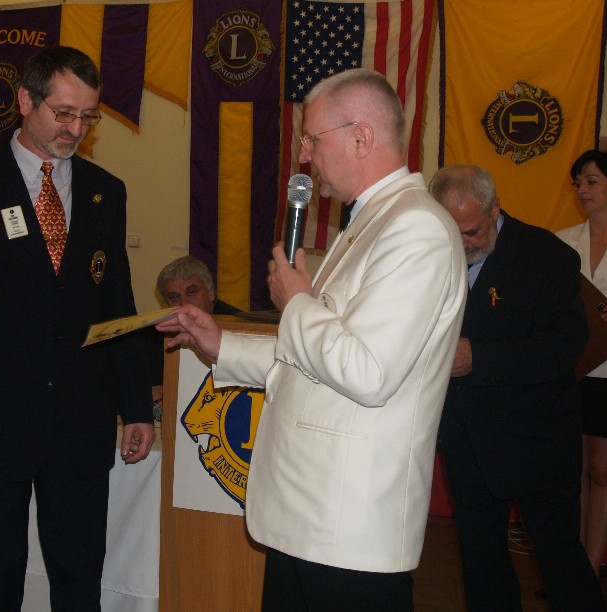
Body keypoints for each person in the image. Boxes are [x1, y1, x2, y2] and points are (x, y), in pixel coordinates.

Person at [158, 68, 467, 610]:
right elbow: (315, 361)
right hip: (310, 518)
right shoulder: (370, 222)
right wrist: (221, 344)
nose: (303, 156)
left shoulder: (416, 227)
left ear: (362, 137)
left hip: (348, 527)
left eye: (311, 138)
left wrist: (297, 301)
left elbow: (367, 373)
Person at [0, 46, 155, 611]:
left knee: (79, 583)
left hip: (80, 426)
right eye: (63, 113)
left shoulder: (105, 191)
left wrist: (136, 405)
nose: (76, 129)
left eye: (88, 117)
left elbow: (116, 305)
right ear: (25, 100)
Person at [429, 164, 605, 611]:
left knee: (559, 557)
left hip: (537, 437)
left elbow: (563, 348)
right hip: (467, 435)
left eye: (470, 232)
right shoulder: (428, 250)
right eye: (450, 232)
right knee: (480, 559)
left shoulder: (546, 256)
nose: (460, 244)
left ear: (495, 209)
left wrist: (479, 357)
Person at [556, 150, 607, 577]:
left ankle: (592, 567)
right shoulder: (563, 241)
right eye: (579, 183)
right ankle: (573, 569)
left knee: (604, 469)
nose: (583, 190)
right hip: (572, 369)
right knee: (575, 468)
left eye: (592, 181)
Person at [147, 255, 239, 405]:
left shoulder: (241, 327)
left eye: (191, 292)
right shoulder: (154, 336)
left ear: (211, 293)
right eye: (174, 297)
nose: (184, 304)